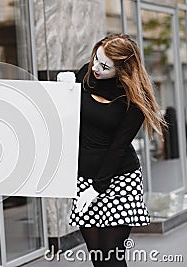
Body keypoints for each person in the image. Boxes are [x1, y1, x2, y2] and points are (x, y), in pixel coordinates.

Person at [68, 34, 166, 267]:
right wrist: (64, 83)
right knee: (98, 258)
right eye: (96, 60)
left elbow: (117, 149)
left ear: (122, 69)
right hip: (84, 176)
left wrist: (95, 190)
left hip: (119, 179)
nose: (96, 68)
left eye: (105, 66)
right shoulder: (86, 75)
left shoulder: (134, 101)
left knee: (111, 258)